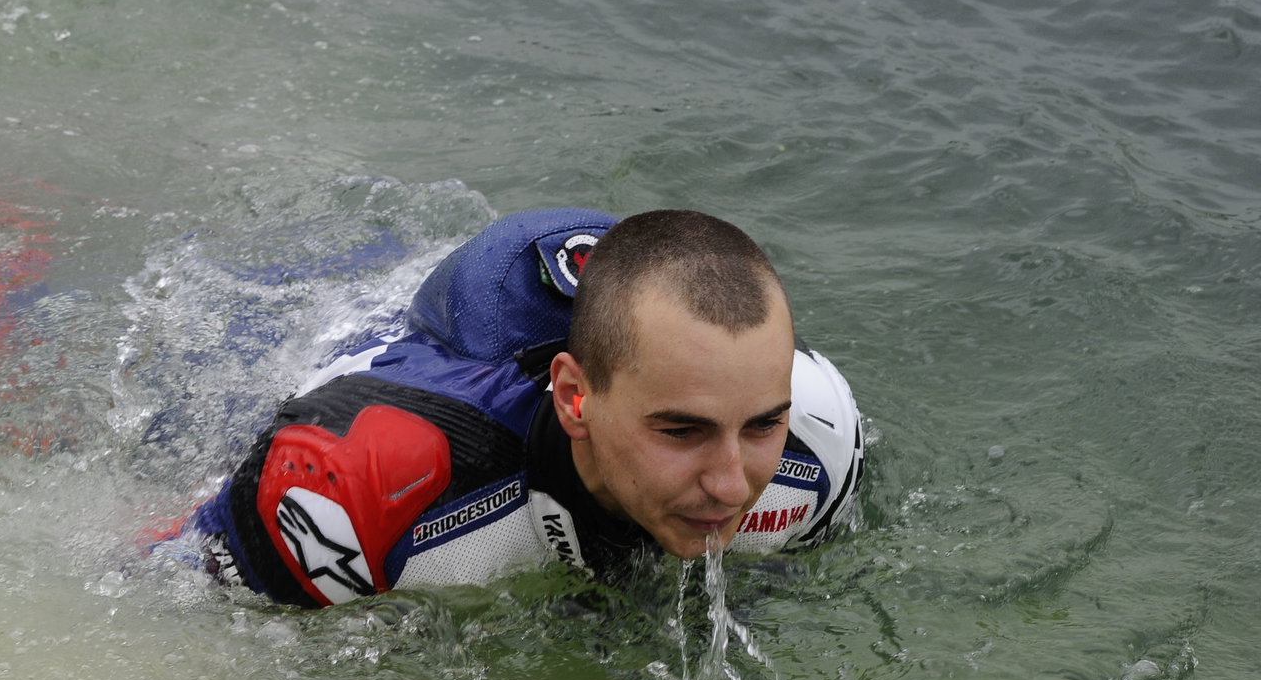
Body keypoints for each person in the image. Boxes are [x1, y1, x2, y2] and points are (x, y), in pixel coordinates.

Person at [147, 208, 864, 608]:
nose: (733, 484)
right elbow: (155, 595)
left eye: (762, 423)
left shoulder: (817, 449)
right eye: (682, 431)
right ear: (574, 399)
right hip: (297, 321)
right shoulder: (365, 482)